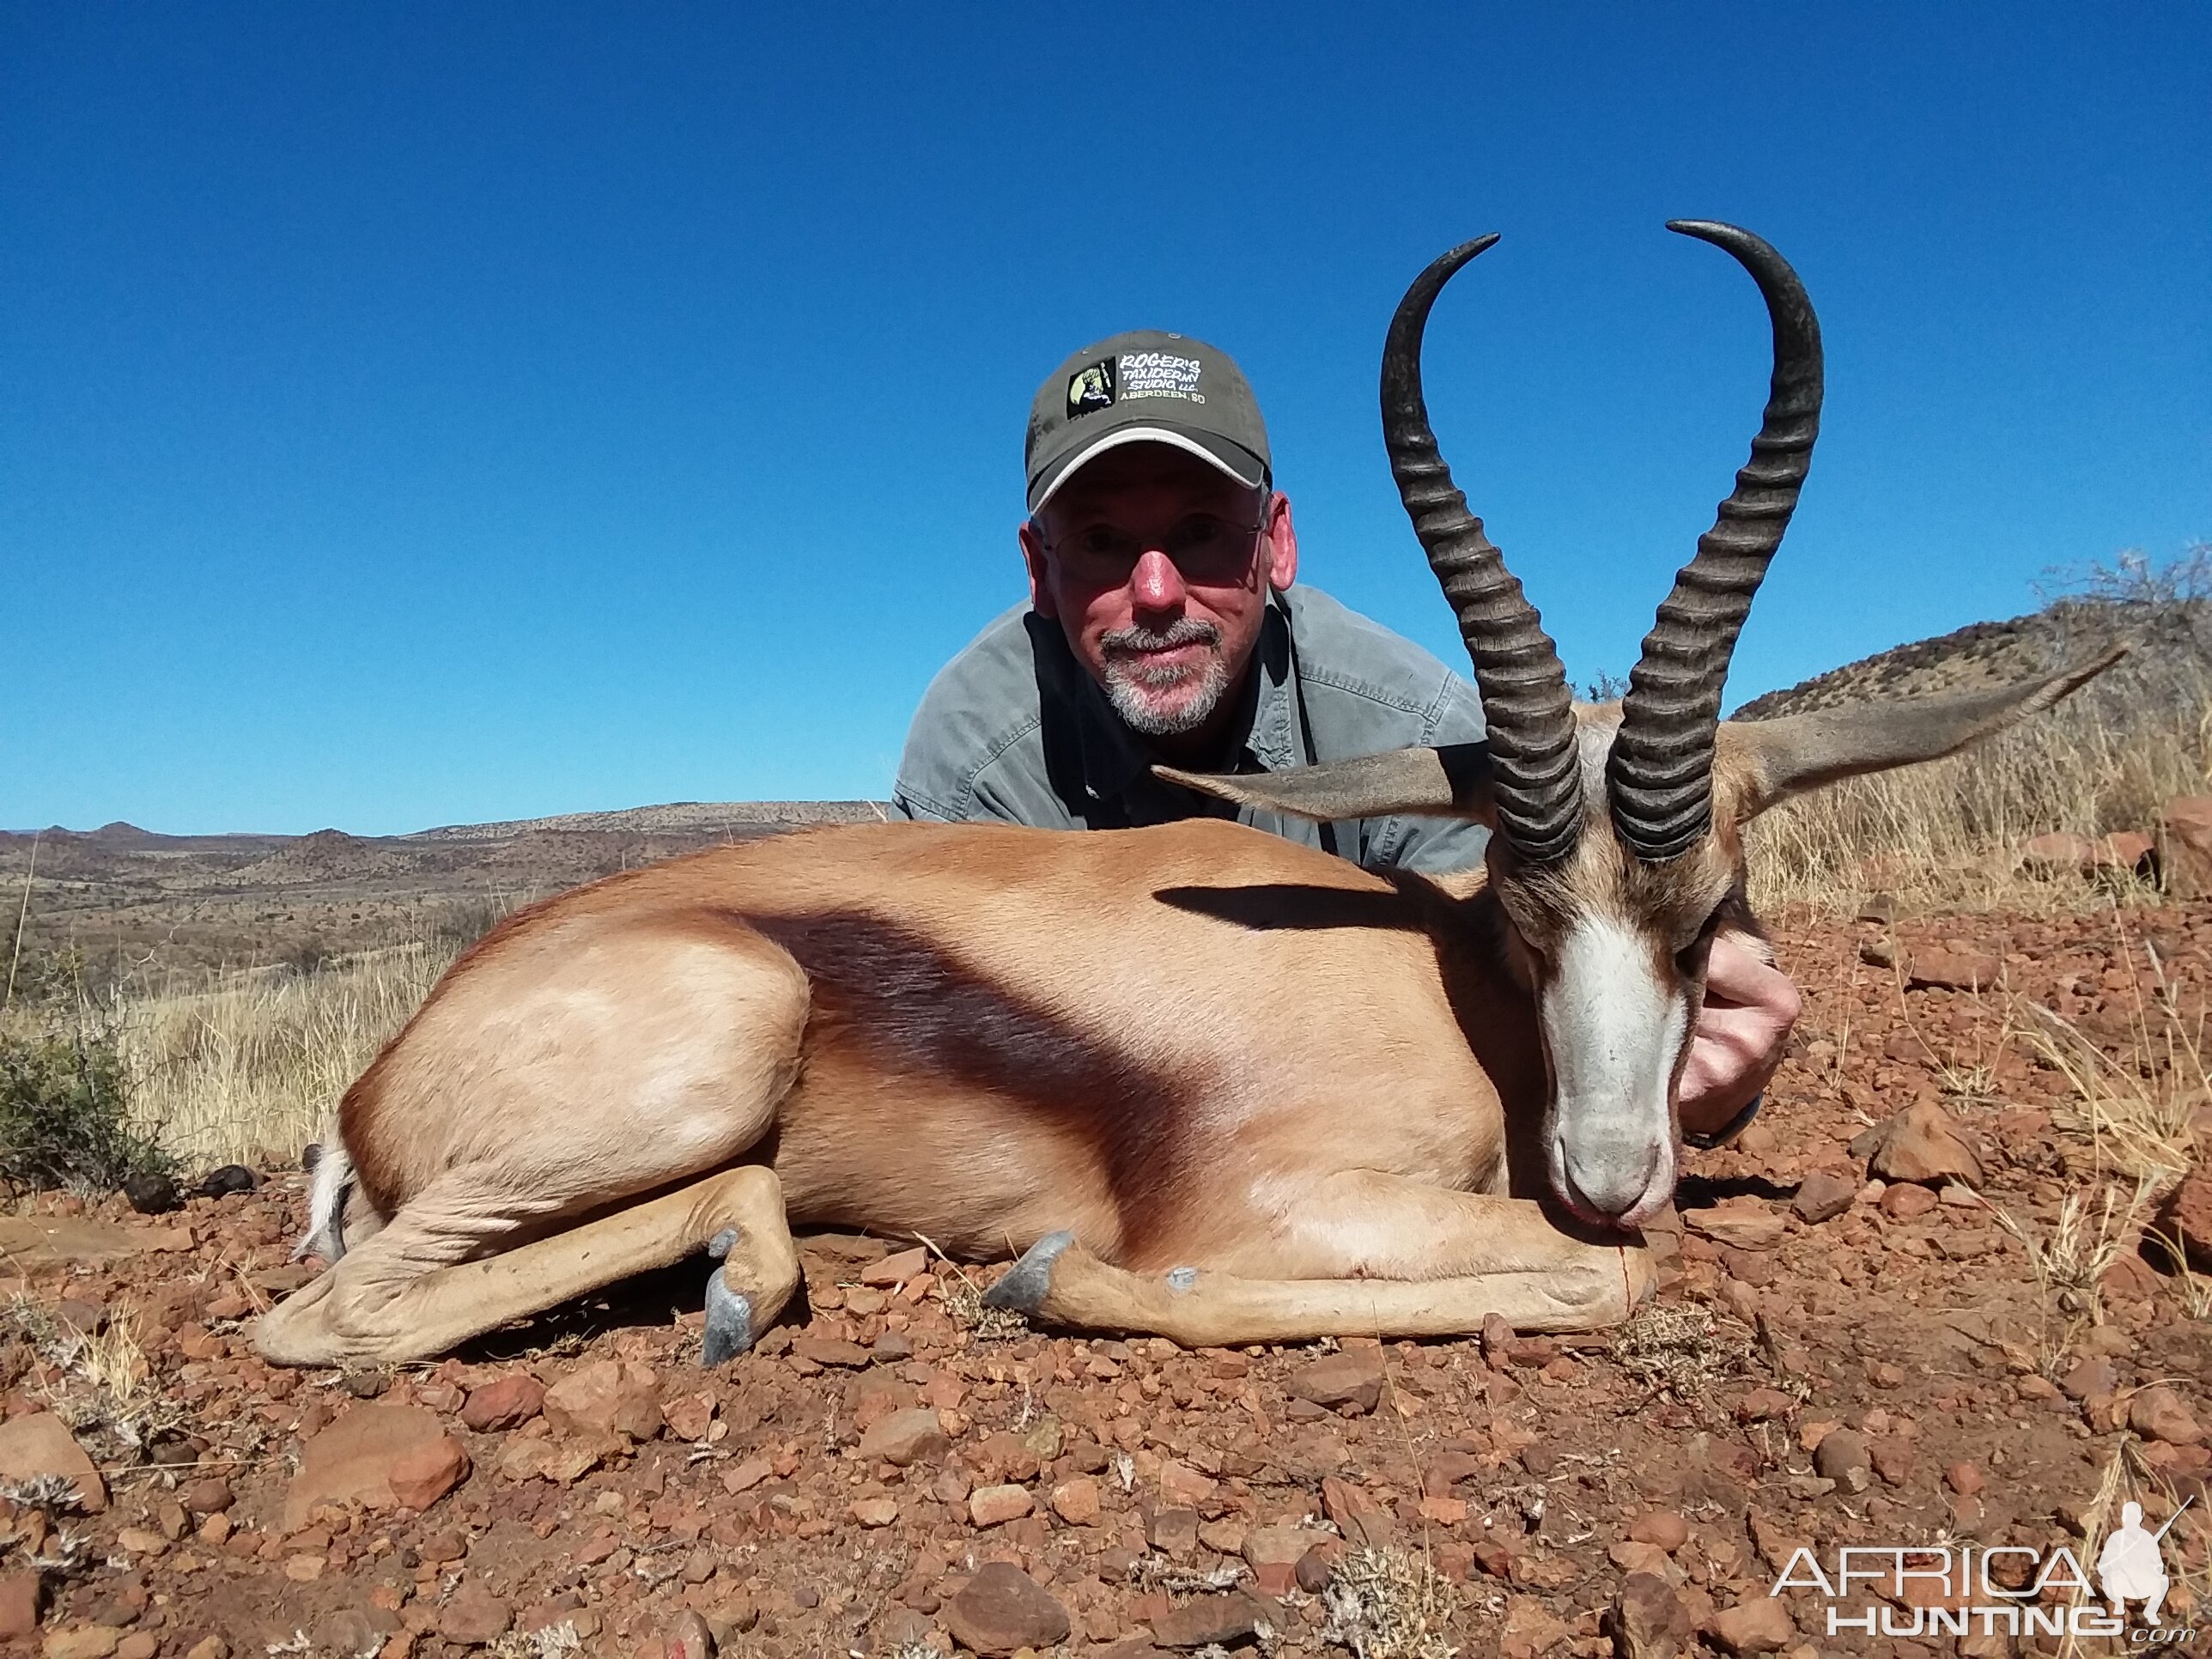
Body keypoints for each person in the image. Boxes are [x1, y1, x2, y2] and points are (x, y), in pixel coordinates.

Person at [892, 329, 1797, 1144]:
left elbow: (1525, 1009)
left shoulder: (1416, 727)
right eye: (1097, 540)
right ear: (1037, 569)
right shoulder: (971, 760)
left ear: (1275, 543)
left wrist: (1708, 1079)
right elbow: (924, 1045)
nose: (1158, 591)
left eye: (1202, 532)